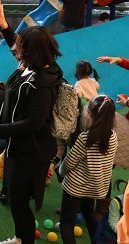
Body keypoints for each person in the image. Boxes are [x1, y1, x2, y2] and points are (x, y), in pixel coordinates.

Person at [0, 0, 64, 244]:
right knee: (15, 196)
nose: (17, 50)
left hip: (31, 151)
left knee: (18, 200)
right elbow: (15, 47)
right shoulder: (33, 66)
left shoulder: (41, 83)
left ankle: (23, 239)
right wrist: (5, 28)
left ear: (32, 53)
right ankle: (21, 237)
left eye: (22, 47)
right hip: (19, 146)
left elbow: (34, 123)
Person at [58, 95, 117, 243]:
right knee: (88, 212)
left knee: (66, 223)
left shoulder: (85, 138)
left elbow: (69, 162)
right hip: (95, 187)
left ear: (90, 114)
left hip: (76, 187)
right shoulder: (113, 137)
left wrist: (60, 171)